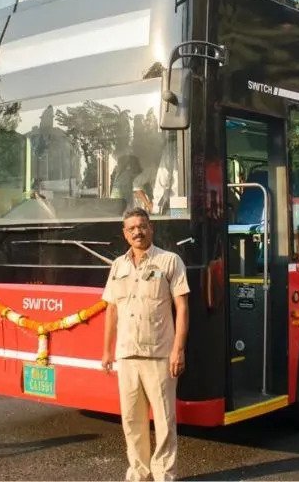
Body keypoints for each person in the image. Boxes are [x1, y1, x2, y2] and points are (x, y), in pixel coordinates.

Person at [101, 207, 190, 482]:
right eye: (131, 228)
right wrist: (106, 351)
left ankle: (165, 474)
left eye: (142, 226)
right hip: (127, 354)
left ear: (151, 228)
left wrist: (178, 349)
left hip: (159, 354)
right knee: (131, 420)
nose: (137, 232)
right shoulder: (118, 266)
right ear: (125, 234)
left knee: (164, 420)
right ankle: (138, 473)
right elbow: (111, 311)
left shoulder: (169, 261)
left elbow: (182, 307)